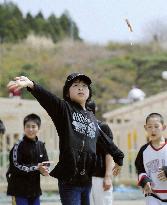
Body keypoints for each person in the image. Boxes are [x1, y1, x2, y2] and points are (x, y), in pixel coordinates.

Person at [7, 73, 124, 205]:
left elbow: (105, 140)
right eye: (75, 85)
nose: (80, 88)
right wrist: (31, 85)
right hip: (69, 180)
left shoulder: (92, 119)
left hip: (86, 180)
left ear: (89, 93)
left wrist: (119, 157)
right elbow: (48, 99)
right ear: (67, 93)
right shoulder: (64, 109)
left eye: (84, 86)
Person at [6, 113, 49, 205]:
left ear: (38, 128)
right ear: (24, 128)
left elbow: (45, 163)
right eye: (27, 126)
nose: (30, 129)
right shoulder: (18, 146)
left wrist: (44, 170)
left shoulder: (41, 145)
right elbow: (16, 166)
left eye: (33, 126)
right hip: (19, 191)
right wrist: (37, 167)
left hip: (35, 191)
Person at [87, 101, 124, 205]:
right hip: (83, 178)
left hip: (100, 176)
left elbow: (109, 153)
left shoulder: (102, 127)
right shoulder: (76, 128)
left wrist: (108, 176)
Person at [135, 113, 167, 205]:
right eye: (149, 127)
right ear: (145, 128)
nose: (153, 130)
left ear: (163, 127)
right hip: (152, 195)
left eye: (156, 126)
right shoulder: (143, 150)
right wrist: (144, 180)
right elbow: (140, 169)